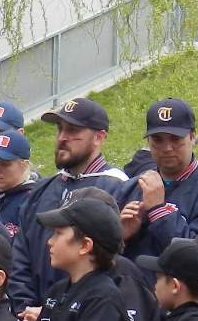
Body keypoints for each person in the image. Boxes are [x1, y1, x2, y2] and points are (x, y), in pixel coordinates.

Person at [10, 97, 130, 309]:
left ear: (99, 137)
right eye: (60, 129)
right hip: (33, 319)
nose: (62, 138)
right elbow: (20, 257)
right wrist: (26, 310)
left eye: (73, 131)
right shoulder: (41, 190)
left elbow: (118, 265)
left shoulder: (118, 188)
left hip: (89, 317)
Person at [122, 99, 198, 261]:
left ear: (192, 137)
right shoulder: (131, 188)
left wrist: (159, 211)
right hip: (132, 284)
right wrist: (120, 238)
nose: (167, 148)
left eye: (175, 138)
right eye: (158, 140)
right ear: (148, 142)